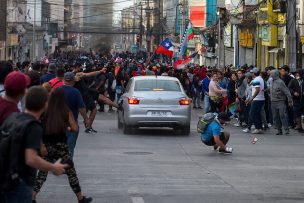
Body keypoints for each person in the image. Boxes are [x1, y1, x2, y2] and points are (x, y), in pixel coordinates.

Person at [2, 86, 67, 203]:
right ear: (45, 104)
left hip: (5, 177)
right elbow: (31, 159)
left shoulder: (12, 117)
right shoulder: (33, 126)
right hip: (20, 182)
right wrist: (53, 167)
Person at [32, 88, 92, 203]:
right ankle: (80, 198)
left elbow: (35, 124)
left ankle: (33, 197)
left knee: (42, 173)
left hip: (46, 145)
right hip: (61, 146)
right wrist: (66, 127)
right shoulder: (65, 110)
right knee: (71, 173)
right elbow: (74, 128)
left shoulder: (44, 110)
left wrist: (41, 144)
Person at [62, 72, 89, 156]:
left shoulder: (57, 90)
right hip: (72, 123)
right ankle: (67, 165)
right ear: (73, 81)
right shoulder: (76, 92)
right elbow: (81, 108)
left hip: (58, 123)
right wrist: (86, 119)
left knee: (59, 146)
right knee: (70, 147)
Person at [270, 70, 293, 135]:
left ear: (275, 74)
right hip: (273, 101)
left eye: (271, 73)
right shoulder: (272, 81)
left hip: (280, 101)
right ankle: (279, 130)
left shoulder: (280, 82)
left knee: (282, 115)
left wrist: (290, 101)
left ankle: (286, 129)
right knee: (275, 117)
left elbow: (287, 92)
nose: (270, 74)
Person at [246, 68, 265, 134]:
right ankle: (259, 127)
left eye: (252, 73)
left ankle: (258, 128)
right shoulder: (260, 78)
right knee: (257, 114)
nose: (251, 74)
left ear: (254, 73)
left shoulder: (256, 79)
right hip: (260, 98)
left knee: (253, 113)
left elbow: (257, 90)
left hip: (257, 99)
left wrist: (252, 98)